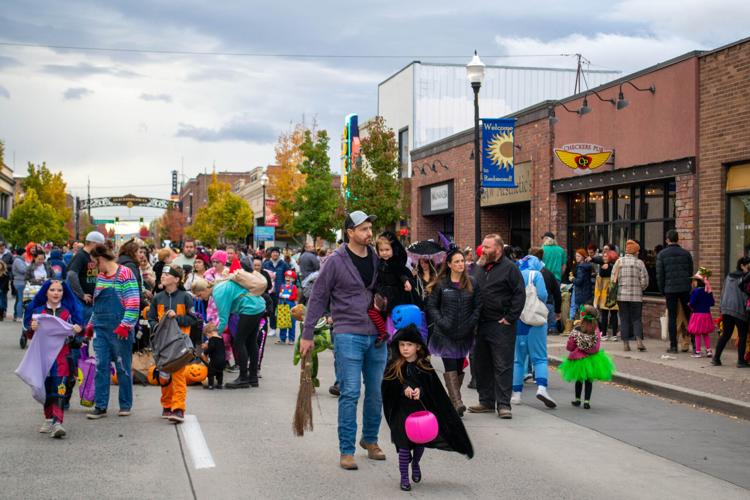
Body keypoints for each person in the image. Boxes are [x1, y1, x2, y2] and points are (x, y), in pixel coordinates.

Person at [299, 210, 386, 470]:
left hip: (377, 334)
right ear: (350, 232)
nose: (369, 234)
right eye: (363, 229)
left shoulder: (376, 258)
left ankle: (370, 440)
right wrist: (307, 333)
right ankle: (346, 450)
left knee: (376, 391)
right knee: (350, 392)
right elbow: (318, 297)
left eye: (370, 228)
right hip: (348, 332)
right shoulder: (335, 261)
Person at [381, 325, 474, 492]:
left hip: (419, 413)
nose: (405, 348)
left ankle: (415, 462)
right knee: (403, 446)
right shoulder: (393, 366)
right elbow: (388, 388)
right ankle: (404, 478)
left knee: (418, 443)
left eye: (409, 345)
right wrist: (403, 389)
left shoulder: (424, 366)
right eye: (402, 345)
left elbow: (434, 390)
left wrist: (420, 391)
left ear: (418, 346)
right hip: (401, 412)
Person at [468, 234, 526, 420]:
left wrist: (510, 317)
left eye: (487, 247)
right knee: (481, 363)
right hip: (480, 323)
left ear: (498, 249)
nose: (482, 250)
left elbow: (519, 294)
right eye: (482, 246)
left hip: (500, 324)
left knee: (502, 364)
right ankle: (486, 401)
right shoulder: (479, 267)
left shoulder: (510, 268)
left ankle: (503, 404)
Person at [83, 244, 140, 420]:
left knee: (122, 367)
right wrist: (91, 324)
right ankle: (100, 406)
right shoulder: (101, 277)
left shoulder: (125, 274)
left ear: (100, 259)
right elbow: (97, 305)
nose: (94, 267)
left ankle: (125, 404)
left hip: (120, 329)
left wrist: (126, 324)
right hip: (101, 328)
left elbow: (133, 301)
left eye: (95, 262)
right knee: (101, 367)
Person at [21, 280, 84, 438]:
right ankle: (48, 418)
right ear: (46, 292)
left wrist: (77, 330)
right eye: (52, 290)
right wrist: (31, 329)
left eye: (59, 290)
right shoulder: (37, 312)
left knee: (59, 388)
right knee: (46, 388)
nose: (56, 293)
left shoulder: (69, 312)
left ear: (64, 293)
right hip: (42, 358)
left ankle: (57, 422)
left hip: (62, 357)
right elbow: (28, 334)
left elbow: (78, 337)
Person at [425, 247, 481, 416]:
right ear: (449, 264)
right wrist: (441, 322)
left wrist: (470, 323)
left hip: (464, 334)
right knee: (450, 367)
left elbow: (478, 306)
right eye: (456, 261)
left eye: (462, 261)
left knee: (458, 369)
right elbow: (432, 306)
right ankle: (457, 403)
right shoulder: (441, 284)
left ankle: (452, 401)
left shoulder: (472, 282)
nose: (460, 264)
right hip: (444, 335)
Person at [191, 277, 266, 388]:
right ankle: (253, 378)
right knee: (251, 342)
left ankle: (243, 378)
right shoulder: (219, 286)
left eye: (199, 295)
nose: (199, 298)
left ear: (204, 290)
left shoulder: (218, 293)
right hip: (258, 305)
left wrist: (214, 337)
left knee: (239, 343)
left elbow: (223, 319)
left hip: (249, 308)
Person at [147, 265, 198, 423]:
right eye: (162, 274)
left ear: (176, 279)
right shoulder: (157, 298)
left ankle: (178, 408)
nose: (162, 276)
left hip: (179, 344)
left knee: (178, 376)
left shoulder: (185, 297)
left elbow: (193, 319)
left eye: (167, 274)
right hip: (163, 343)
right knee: (164, 376)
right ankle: (167, 405)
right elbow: (151, 318)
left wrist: (176, 318)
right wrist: (158, 324)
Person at [510, 254, 556, 408]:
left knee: (518, 360)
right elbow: (543, 295)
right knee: (540, 358)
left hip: (518, 322)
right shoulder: (536, 275)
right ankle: (542, 388)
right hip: (535, 322)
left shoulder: (514, 273)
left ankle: (516, 395)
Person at [558, 305, 616, 409]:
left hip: (579, 358)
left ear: (583, 315)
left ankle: (577, 399)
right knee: (589, 381)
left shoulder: (577, 329)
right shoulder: (596, 329)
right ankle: (587, 401)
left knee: (579, 380)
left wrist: (574, 348)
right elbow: (596, 347)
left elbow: (570, 346)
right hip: (592, 359)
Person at [656, 230, 694, 353]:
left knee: (672, 317)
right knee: (689, 316)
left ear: (667, 240)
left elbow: (660, 275)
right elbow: (690, 272)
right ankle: (695, 344)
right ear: (678, 239)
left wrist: (662, 290)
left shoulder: (662, 254)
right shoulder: (686, 254)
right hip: (684, 289)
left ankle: (673, 346)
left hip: (670, 289)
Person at [613, 240, 649, 352]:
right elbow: (645, 281)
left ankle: (626, 344)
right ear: (635, 252)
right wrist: (639, 288)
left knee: (624, 319)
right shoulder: (639, 263)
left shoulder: (619, 262)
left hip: (621, 296)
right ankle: (639, 341)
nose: (638, 253)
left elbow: (613, 279)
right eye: (638, 251)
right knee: (636, 319)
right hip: (636, 297)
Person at [716, 258, 750, 367]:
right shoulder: (745, 278)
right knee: (743, 335)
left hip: (726, 309)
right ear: (742, 266)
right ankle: (741, 361)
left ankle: (716, 358)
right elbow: (746, 295)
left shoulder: (729, 276)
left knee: (726, 334)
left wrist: (721, 307)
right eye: (748, 266)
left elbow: (723, 292)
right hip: (739, 310)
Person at [67, 231, 106, 324]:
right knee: (82, 330)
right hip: (83, 302)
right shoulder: (81, 256)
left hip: (93, 300)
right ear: (93, 243)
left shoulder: (93, 256)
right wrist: (82, 294)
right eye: (100, 245)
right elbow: (71, 274)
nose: (102, 248)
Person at [530, 247, 561, 336]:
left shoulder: (527, 273)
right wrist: (558, 310)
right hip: (548, 306)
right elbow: (557, 293)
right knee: (551, 332)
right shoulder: (549, 273)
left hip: (532, 306)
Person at [687, 267, 715, 358]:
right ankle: (709, 350)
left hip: (698, 315)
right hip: (707, 314)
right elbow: (712, 303)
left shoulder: (696, 291)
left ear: (697, 282)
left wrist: (689, 304)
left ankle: (698, 352)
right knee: (705, 333)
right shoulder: (708, 290)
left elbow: (692, 303)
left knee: (697, 333)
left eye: (694, 281)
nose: (693, 282)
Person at [262, 247, 290, 336]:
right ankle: (273, 328)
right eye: (273, 252)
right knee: (271, 310)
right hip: (270, 291)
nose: (275, 254)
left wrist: (286, 290)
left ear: (279, 254)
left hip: (281, 291)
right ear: (271, 254)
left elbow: (288, 278)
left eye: (277, 253)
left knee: (282, 310)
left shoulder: (284, 264)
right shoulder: (266, 264)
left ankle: (283, 330)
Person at [594, 250, 619, 341]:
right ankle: (614, 335)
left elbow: (599, 282)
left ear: (610, 257)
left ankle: (604, 334)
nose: (603, 258)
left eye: (606, 256)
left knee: (604, 314)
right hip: (613, 293)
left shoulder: (603, 267)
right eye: (603, 256)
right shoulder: (616, 267)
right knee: (614, 314)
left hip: (605, 293)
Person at [275, 270, 298, 345]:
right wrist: (281, 296)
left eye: (290, 277)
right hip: (283, 305)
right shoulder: (282, 286)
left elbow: (294, 296)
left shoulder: (294, 287)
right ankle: (282, 338)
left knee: (291, 322)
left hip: (291, 305)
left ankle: (291, 339)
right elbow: (280, 294)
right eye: (287, 277)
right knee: (283, 322)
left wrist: (287, 296)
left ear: (293, 279)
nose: (288, 279)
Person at [201, 322, 226, 389]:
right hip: (223, 360)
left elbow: (211, 348)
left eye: (207, 335)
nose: (207, 337)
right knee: (220, 372)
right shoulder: (221, 338)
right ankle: (220, 384)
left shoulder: (212, 339)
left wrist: (205, 353)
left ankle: (211, 385)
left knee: (211, 372)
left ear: (210, 333)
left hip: (215, 360)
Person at [571, 249, 593, 313]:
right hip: (586, 292)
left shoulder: (581, 267)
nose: (576, 258)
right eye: (576, 256)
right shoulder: (587, 265)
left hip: (581, 292)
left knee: (580, 312)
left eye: (579, 256)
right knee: (585, 312)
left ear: (583, 257)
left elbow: (579, 281)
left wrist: (572, 279)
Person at [12, 248, 28, 321]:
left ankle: (18, 315)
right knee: (20, 300)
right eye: (25, 253)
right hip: (20, 282)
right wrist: (28, 268)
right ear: (22, 253)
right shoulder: (18, 260)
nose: (26, 254)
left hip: (19, 281)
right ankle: (19, 316)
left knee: (19, 299)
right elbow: (23, 270)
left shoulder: (19, 260)